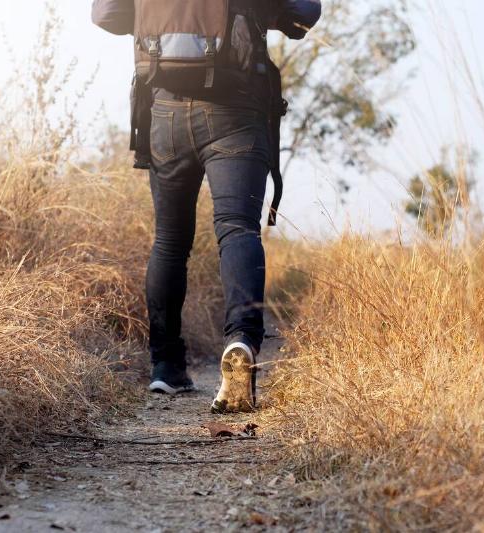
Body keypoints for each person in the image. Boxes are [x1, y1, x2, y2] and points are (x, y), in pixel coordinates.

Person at [92, 0, 321, 413]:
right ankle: (241, 342)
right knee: (237, 229)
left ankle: (166, 366)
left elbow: (106, 14)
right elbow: (305, 11)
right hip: (236, 111)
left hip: (164, 113)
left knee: (169, 242)